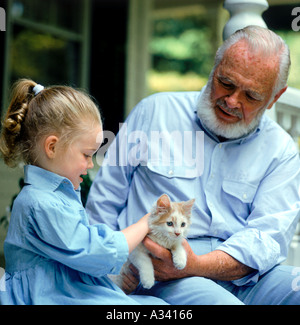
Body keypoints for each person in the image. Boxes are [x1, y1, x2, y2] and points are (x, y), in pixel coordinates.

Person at [86, 26, 300, 305]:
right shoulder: (154, 112)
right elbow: (104, 202)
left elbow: (267, 238)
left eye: (252, 96)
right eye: (226, 82)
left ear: (274, 97)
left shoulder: (281, 151)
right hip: (162, 270)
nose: (232, 101)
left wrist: (199, 264)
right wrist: (109, 270)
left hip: (243, 276)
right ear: (215, 66)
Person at [0, 79, 167, 305]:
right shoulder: (40, 203)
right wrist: (146, 222)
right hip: (50, 297)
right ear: (52, 147)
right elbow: (94, 252)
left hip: (70, 291)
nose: (90, 165)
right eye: (86, 155)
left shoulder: (56, 195)